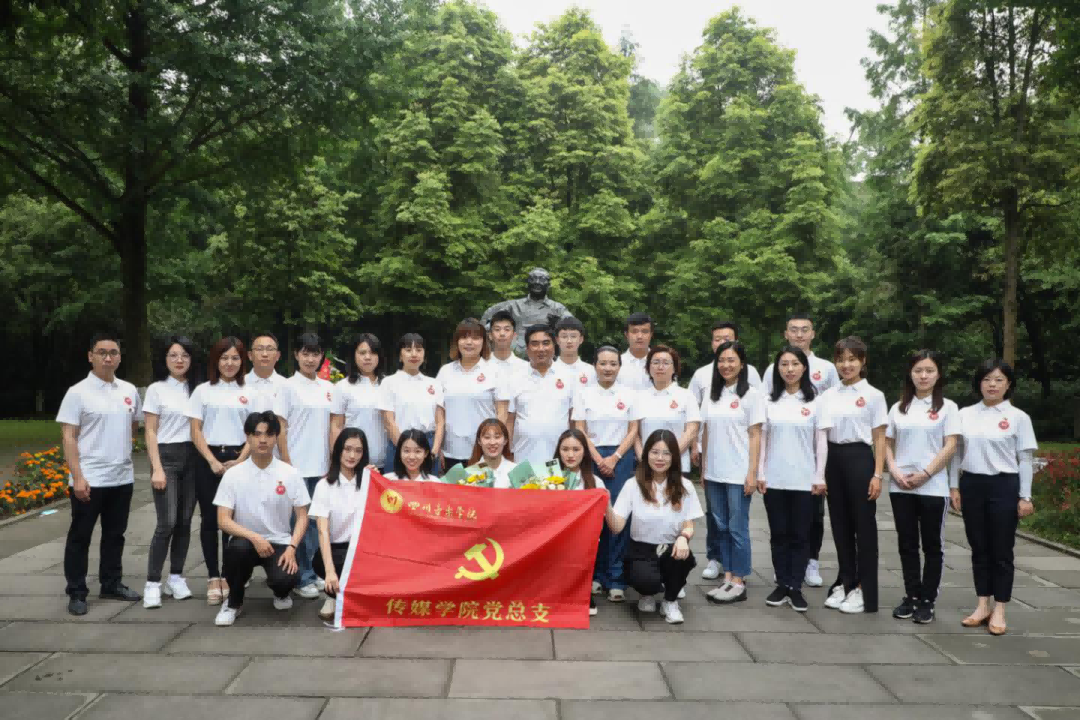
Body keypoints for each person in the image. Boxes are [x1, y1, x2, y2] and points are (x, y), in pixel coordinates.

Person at [58, 333, 144, 615]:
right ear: (90, 356)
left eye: (113, 352)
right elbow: (69, 437)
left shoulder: (129, 390)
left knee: (115, 535)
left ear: (119, 357)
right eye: (102, 352)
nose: (108, 358)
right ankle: (77, 591)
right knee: (80, 536)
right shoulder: (77, 392)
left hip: (121, 477)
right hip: (90, 478)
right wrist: (78, 477)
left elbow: (134, 424)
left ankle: (111, 583)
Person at [953, 359, 1037, 636]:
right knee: (978, 547)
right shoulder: (965, 414)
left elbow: (1026, 459)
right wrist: (954, 487)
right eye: (987, 379)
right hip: (972, 485)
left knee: (1001, 550)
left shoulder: (1018, 417)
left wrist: (1025, 496)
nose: (992, 384)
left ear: (1008, 384)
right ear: (979, 383)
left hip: (1004, 485)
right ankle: (982, 605)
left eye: (999, 379)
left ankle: (1000, 608)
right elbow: (956, 454)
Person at [762, 313, 839, 588]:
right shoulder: (770, 385)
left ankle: (810, 562)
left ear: (813, 333)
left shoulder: (826, 370)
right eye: (793, 329)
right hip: (777, 469)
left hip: (810, 463)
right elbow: (764, 430)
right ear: (786, 333)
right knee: (780, 527)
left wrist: (821, 472)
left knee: (811, 520)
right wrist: (759, 471)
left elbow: (830, 412)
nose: (799, 334)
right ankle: (784, 572)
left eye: (804, 329)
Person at [213, 412, 310, 626]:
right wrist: (255, 538)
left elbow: (302, 516)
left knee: (286, 578)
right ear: (248, 437)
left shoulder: (290, 473)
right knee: (236, 551)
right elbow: (223, 520)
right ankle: (233, 603)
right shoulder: (234, 474)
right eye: (257, 434)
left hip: (279, 542)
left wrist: (292, 547)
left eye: (269, 434)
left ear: (276, 437)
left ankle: (281, 592)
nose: (263, 440)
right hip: (245, 541)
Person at [885, 350, 960, 625]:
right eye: (918, 370)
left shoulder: (948, 408)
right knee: (906, 544)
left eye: (929, 370)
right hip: (901, 487)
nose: (923, 376)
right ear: (910, 374)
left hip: (933, 487)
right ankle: (911, 595)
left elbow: (951, 445)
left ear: (938, 374)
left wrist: (926, 473)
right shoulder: (898, 408)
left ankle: (928, 600)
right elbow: (887, 444)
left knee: (932, 545)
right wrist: (894, 471)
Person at [816, 336, 888, 614]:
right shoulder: (828, 396)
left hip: (860, 459)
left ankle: (864, 589)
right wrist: (820, 473)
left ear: (862, 361)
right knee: (840, 526)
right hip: (833, 460)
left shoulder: (873, 395)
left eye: (852, 359)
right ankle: (846, 582)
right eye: (841, 359)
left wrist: (877, 474)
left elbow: (879, 437)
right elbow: (822, 436)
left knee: (864, 527)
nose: (846, 365)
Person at [757, 347, 830, 613]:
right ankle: (781, 583)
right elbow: (762, 440)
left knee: (800, 534)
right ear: (777, 369)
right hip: (774, 479)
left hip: (804, 480)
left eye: (795, 364)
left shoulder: (815, 401)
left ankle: (795, 586)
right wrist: (760, 472)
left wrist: (820, 475)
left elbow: (821, 442)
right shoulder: (769, 401)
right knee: (779, 534)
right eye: (784, 364)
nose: (789, 369)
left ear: (804, 368)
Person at [606, 430, 703, 624]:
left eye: (666, 453)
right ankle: (647, 593)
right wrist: (606, 505)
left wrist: (683, 537)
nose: (660, 458)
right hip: (640, 549)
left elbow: (688, 523)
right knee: (645, 581)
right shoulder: (632, 485)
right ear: (646, 454)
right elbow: (617, 527)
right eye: (655, 452)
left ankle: (670, 601)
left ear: (674, 457)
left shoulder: (685, 486)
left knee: (681, 558)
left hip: (670, 548)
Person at [186, 336, 253, 605]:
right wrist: (212, 460)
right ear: (215, 361)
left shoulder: (250, 391)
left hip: (239, 458)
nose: (229, 363)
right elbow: (195, 430)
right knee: (209, 520)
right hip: (207, 458)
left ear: (242, 361)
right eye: (224, 358)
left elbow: (256, 433)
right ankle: (213, 576)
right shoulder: (203, 391)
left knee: (233, 520)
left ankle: (229, 574)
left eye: (235, 358)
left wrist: (240, 461)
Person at [700, 341, 765, 603]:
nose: (726, 365)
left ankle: (739, 579)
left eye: (731, 360)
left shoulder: (751, 395)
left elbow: (755, 435)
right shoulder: (711, 394)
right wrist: (704, 467)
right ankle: (727, 576)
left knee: (737, 528)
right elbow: (706, 432)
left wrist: (752, 473)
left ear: (742, 364)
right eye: (722, 360)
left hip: (739, 473)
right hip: (715, 472)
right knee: (721, 527)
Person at [572, 346, 639, 602]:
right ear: (595, 366)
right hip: (591, 457)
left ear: (619, 366)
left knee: (618, 518)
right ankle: (596, 576)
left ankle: (617, 578)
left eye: (613, 363)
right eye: (603, 363)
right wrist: (598, 458)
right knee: (593, 519)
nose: (608, 368)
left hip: (621, 458)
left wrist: (615, 457)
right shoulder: (584, 393)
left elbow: (633, 430)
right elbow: (580, 429)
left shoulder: (629, 394)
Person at [274, 333, 334, 600]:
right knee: (299, 523)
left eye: (315, 354)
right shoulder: (287, 387)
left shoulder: (327, 387)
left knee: (318, 522)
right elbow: (280, 427)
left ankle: (314, 571)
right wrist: (287, 462)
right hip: (297, 466)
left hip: (321, 466)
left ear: (322, 357)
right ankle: (302, 576)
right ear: (296, 355)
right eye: (305, 353)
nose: (310, 359)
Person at [142, 336, 200, 608]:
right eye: (173, 355)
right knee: (167, 522)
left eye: (184, 355)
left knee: (185, 522)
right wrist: (156, 468)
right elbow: (150, 431)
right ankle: (152, 582)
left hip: (193, 458)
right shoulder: (157, 390)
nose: (179, 360)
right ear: (164, 359)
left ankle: (175, 577)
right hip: (166, 458)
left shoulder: (198, 389)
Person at [311, 428, 369, 622]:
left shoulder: (368, 482)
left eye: (358, 451)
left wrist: (376, 477)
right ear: (338, 450)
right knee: (335, 564)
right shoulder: (324, 485)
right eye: (347, 449)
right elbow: (322, 530)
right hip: (334, 551)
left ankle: (342, 596)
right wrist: (329, 571)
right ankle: (333, 594)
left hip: (362, 551)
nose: (352, 456)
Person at [437, 318, 510, 468]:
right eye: (464, 337)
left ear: (484, 342)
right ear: (457, 341)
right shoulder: (445, 371)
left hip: (485, 453)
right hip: (451, 452)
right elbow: (439, 414)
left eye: (475, 338)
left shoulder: (495, 371)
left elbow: (502, 413)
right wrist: (437, 446)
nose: (469, 342)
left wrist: (496, 445)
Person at [554, 428, 606, 616]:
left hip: (582, 541)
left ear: (584, 452)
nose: (570, 455)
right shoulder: (548, 478)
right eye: (565, 449)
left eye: (576, 449)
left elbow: (602, 521)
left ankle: (582, 591)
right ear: (558, 451)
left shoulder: (596, 482)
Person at [507, 325, 575, 464]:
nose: (541, 349)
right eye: (535, 344)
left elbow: (574, 420)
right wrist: (507, 454)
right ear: (527, 349)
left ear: (554, 346)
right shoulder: (514, 378)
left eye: (546, 343)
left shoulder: (569, 377)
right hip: (523, 459)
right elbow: (509, 421)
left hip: (560, 459)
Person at [381, 333, 445, 474]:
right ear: (400, 355)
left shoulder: (434, 384)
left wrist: (433, 450)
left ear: (424, 355)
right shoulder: (389, 383)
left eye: (419, 350)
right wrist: (405, 451)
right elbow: (388, 421)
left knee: (428, 487)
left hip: (428, 447)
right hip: (399, 445)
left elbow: (440, 422)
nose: (414, 354)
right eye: (408, 350)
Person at [634, 345, 700, 471]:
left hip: (678, 465)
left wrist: (668, 457)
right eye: (655, 362)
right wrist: (645, 459)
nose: (660, 367)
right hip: (647, 466)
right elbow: (634, 433)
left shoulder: (686, 396)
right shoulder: (639, 397)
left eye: (666, 363)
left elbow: (692, 430)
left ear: (674, 368)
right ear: (648, 368)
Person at [330, 334, 390, 472]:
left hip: (386, 463)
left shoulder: (389, 384)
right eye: (362, 353)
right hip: (353, 463)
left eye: (373, 353)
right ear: (354, 355)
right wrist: (337, 462)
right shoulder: (343, 387)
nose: (367, 357)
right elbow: (336, 426)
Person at [467, 418, 517, 488]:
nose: (492, 442)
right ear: (479, 441)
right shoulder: (470, 473)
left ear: (505, 440)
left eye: (497, 437)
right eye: (487, 437)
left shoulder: (516, 471)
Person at [245, 332, 287, 413]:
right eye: (259, 349)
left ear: (278, 355)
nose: (265, 354)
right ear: (250, 355)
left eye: (270, 349)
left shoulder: (287, 386)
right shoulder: (238, 385)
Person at [552, 316, 597, 388]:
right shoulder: (548, 371)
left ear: (581, 339)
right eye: (564, 337)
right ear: (557, 340)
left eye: (573, 336)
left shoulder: (592, 372)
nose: (569, 341)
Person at [616, 312, 653, 391]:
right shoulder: (616, 364)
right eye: (634, 331)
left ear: (651, 334)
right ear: (626, 335)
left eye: (645, 331)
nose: (639, 336)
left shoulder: (663, 363)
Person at [488, 309, 530, 377]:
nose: (502, 334)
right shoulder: (479, 366)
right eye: (497, 329)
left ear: (514, 335)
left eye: (507, 329)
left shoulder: (526, 368)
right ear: (490, 335)